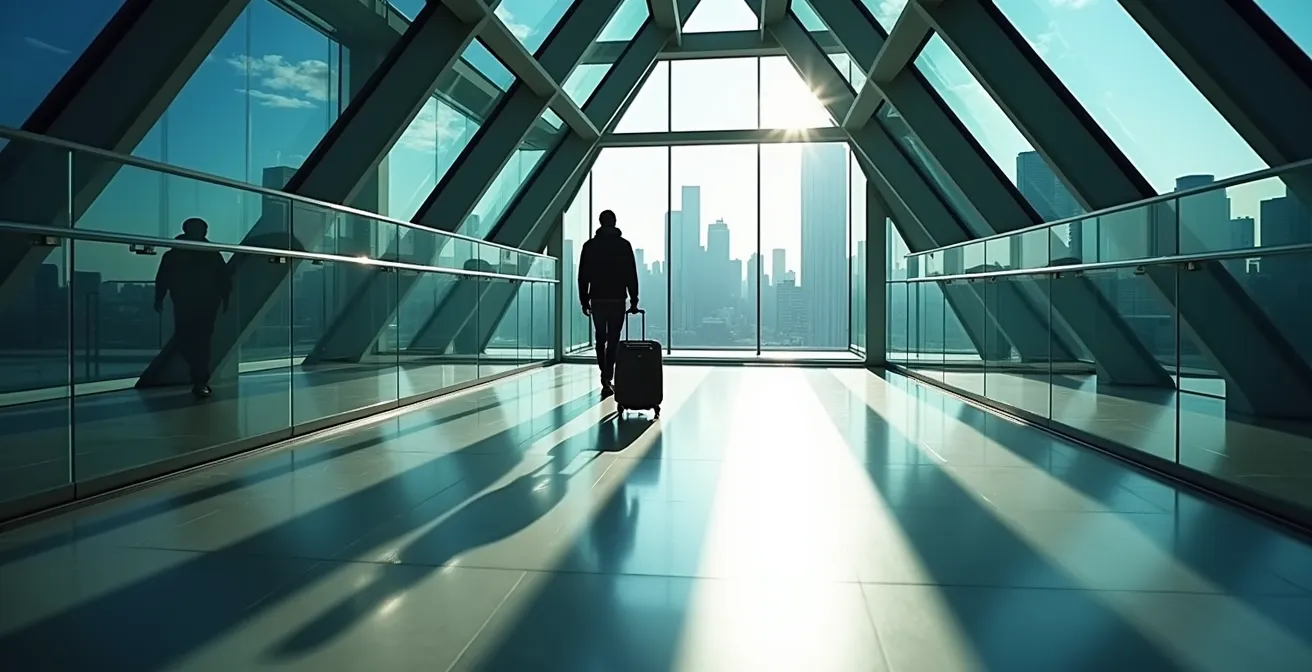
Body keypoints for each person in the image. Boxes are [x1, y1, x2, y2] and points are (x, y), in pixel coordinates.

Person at [154, 217, 231, 399]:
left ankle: (200, 379)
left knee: (200, 341)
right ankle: (199, 377)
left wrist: (225, 296)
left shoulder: (210, 253)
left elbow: (223, 277)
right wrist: (159, 297)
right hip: (187, 302)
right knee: (187, 340)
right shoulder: (176, 254)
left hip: (204, 303)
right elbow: (163, 277)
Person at [578, 209, 639, 396]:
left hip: (597, 298)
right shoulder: (623, 245)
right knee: (613, 339)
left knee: (600, 338)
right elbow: (631, 273)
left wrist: (584, 299)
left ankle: (604, 377)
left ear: (600, 222)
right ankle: (608, 376)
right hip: (617, 298)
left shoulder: (590, 246)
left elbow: (583, 275)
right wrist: (634, 298)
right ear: (614, 222)